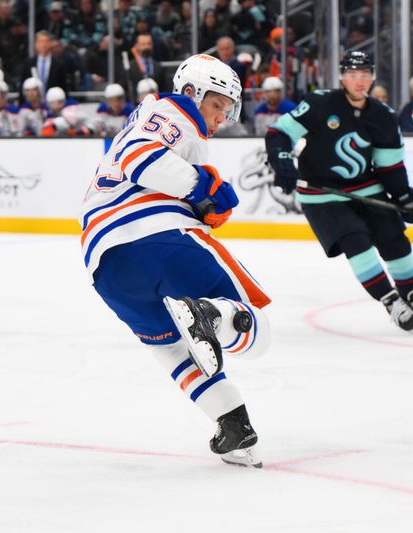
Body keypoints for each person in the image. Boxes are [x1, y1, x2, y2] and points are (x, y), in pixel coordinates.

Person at [80, 54, 271, 467]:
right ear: (191, 92)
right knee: (254, 327)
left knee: (169, 350)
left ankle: (232, 424)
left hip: (106, 265)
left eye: (227, 109)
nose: (222, 117)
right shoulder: (171, 111)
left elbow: (141, 163)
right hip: (158, 238)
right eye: (217, 104)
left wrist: (201, 201)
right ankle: (209, 315)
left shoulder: (160, 122)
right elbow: (139, 159)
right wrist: (203, 186)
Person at [265, 50, 413, 334]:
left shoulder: (384, 116)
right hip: (321, 194)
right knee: (355, 241)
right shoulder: (320, 103)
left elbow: (390, 169)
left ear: (373, 77)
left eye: (364, 74)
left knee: (394, 238)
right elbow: (279, 134)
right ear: (342, 76)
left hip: (367, 188)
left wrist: (406, 199)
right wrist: (283, 161)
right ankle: (391, 302)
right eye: (352, 74)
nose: (359, 81)